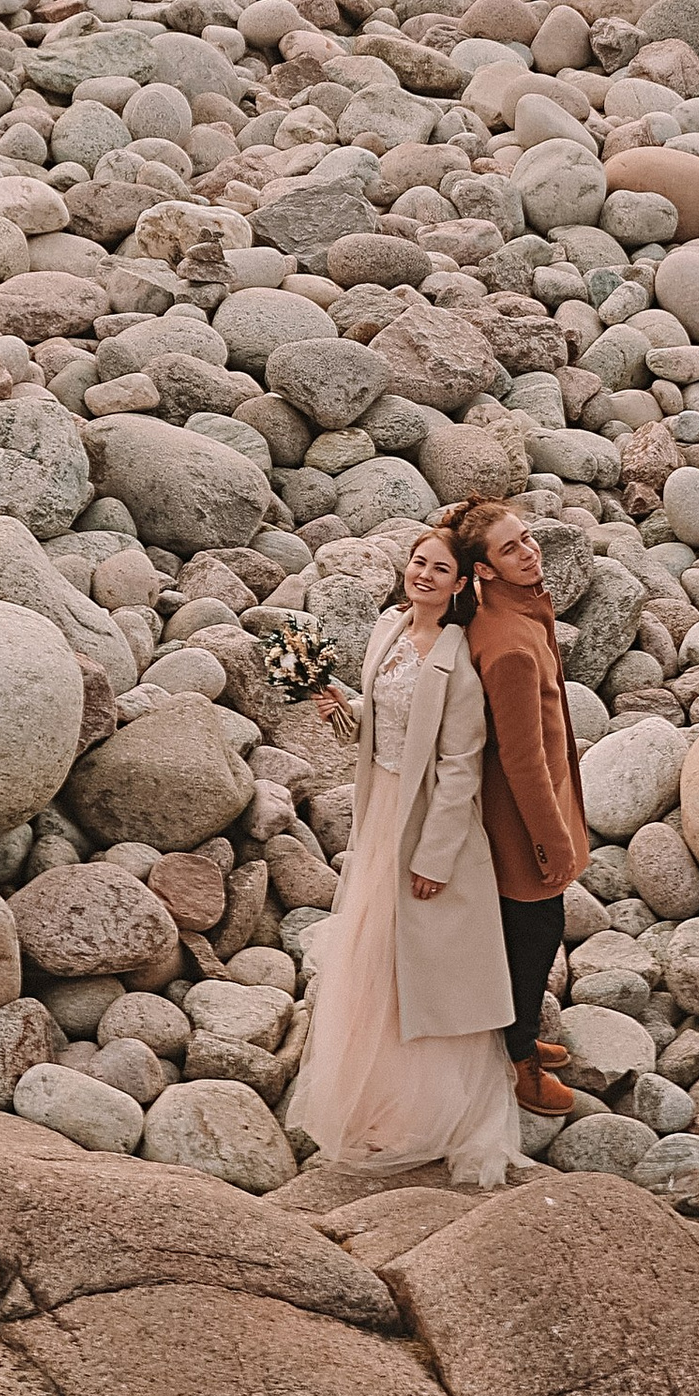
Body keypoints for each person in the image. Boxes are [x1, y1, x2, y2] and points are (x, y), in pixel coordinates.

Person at [282, 525, 521, 1189]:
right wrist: (337, 710)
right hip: (380, 807)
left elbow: (458, 770)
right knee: (368, 953)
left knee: (417, 960)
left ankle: (423, 1111)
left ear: (459, 584)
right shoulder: (388, 628)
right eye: (418, 563)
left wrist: (435, 860)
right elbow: (383, 728)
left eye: (439, 569)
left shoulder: (458, 661)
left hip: (424, 824)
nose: (423, 575)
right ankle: (368, 1098)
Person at [449, 497, 593, 1119]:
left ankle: (520, 1038)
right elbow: (522, 760)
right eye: (510, 548)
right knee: (533, 939)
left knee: (528, 934)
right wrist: (551, 842)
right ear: (483, 570)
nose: (529, 551)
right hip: (521, 820)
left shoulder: (517, 616)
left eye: (527, 538)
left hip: (531, 809)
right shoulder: (508, 642)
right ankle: (519, 1062)